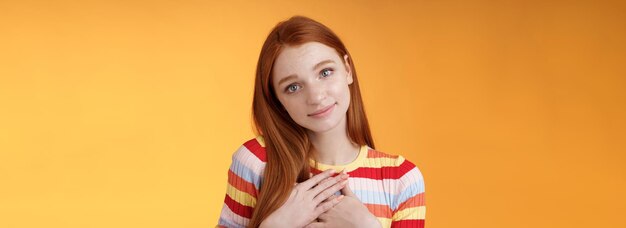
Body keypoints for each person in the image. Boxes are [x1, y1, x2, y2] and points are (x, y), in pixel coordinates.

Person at [217, 16, 425, 228]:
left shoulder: (401, 178)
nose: (316, 97)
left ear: (348, 70)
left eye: (325, 72)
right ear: (278, 101)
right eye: (293, 87)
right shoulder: (256, 161)